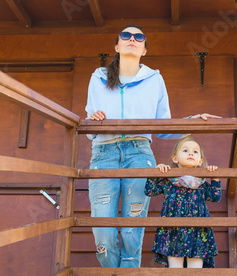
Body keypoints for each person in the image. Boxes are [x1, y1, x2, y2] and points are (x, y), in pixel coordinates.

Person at [85, 24, 221, 268]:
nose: (132, 39)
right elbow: (89, 124)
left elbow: (163, 126)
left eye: (139, 37)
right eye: (126, 36)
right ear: (117, 46)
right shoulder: (97, 78)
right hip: (103, 153)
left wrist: (193, 122)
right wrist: (92, 120)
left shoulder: (154, 79)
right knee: (102, 229)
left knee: (132, 228)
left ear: (144, 50)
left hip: (139, 154)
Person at [144, 136, 222, 268]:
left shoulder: (201, 183)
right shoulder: (169, 180)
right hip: (173, 230)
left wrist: (215, 177)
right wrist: (156, 172)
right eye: (185, 150)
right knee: (175, 270)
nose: (191, 153)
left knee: (196, 270)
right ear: (175, 158)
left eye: (195, 152)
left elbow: (215, 197)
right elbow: (149, 190)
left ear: (200, 161)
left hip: (198, 231)